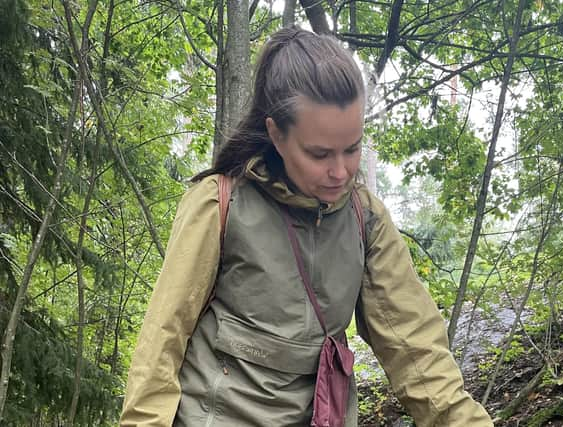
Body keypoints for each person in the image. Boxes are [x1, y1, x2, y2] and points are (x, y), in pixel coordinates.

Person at [120, 26, 492, 426]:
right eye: (319, 153)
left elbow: (417, 352)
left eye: (352, 148)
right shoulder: (219, 204)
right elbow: (162, 339)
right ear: (276, 134)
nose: (340, 171)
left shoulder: (365, 220)